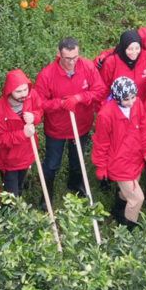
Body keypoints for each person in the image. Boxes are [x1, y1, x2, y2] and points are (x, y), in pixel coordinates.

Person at [32, 37, 106, 198]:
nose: (72, 62)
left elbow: (100, 91)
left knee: (77, 158)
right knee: (52, 163)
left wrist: (79, 98)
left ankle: (75, 183)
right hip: (56, 129)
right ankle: (47, 195)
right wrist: (60, 103)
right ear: (58, 54)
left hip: (80, 125)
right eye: (67, 58)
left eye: (75, 57)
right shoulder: (47, 75)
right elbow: (39, 103)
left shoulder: (87, 67)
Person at [92, 77, 146, 228]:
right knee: (137, 199)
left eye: (133, 97)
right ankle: (128, 228)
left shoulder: (137, 103)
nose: (131, 102)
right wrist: (101, 167)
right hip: (119, 163)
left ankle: (117, 210)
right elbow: (101, 143)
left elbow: (144, 127)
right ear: (117, 98)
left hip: (136, 157)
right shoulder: (105, 115)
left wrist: (145, 153)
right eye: (126, 99)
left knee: (126, 194)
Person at [0, 69, 42, 197]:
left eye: (25, 89)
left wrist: (34, 117)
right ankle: (10, 214)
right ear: (9, 91)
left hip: (27, 153)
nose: (24, 94)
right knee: (11, 195)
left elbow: (39, 110)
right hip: (9, 160)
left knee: (19, 187)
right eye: (18, 91)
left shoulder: (31, 95)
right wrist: (23, 134)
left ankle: (19, 199)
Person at [94, 30, 146, 101]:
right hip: (117, 108)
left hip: (141, 107)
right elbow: (103, 89)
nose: (134, 52)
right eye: (130, 49)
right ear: (123, 47)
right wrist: (106, 109)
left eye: (137, 48)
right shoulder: (112, 62)